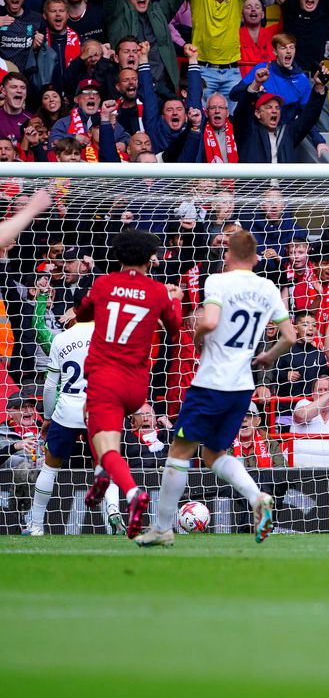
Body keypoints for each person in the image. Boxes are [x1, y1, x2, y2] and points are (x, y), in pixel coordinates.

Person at [134, 231, 297, 547]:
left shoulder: (217, 282)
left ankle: (163, 528)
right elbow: (289, 336)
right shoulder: (268, 288)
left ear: (228, 255)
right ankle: (256, 496)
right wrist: (267, 356)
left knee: (180, 451)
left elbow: (208, 322)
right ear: (256, 257)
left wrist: (198, 340)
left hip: (210, 382)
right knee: (213, 453)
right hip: (241, 388)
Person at [76, 229, 184, 539]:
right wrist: (175, 300)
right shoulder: (157, 292)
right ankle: (99, 475)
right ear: (150, 259)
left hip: (105, 378)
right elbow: (174, 331)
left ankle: (133, 493)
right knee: (95, 424)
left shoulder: (104, 283)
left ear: (119, 255)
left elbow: (84, 315)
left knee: (106, 444)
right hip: (137, 385)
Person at [24, 302, 122, 536]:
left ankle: (36, 525)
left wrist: (47, 417)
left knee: (49, 468)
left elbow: (50, 386)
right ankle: (113, 510)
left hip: (67, 410)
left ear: (75, 312)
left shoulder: (61, 339)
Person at [290, 375, 329, 468]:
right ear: (313, 394)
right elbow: (301, 416)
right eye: (319, 390)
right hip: (300, 467)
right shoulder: (304, 403)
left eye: (326, 390)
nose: (323, 393)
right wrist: (328, 395)